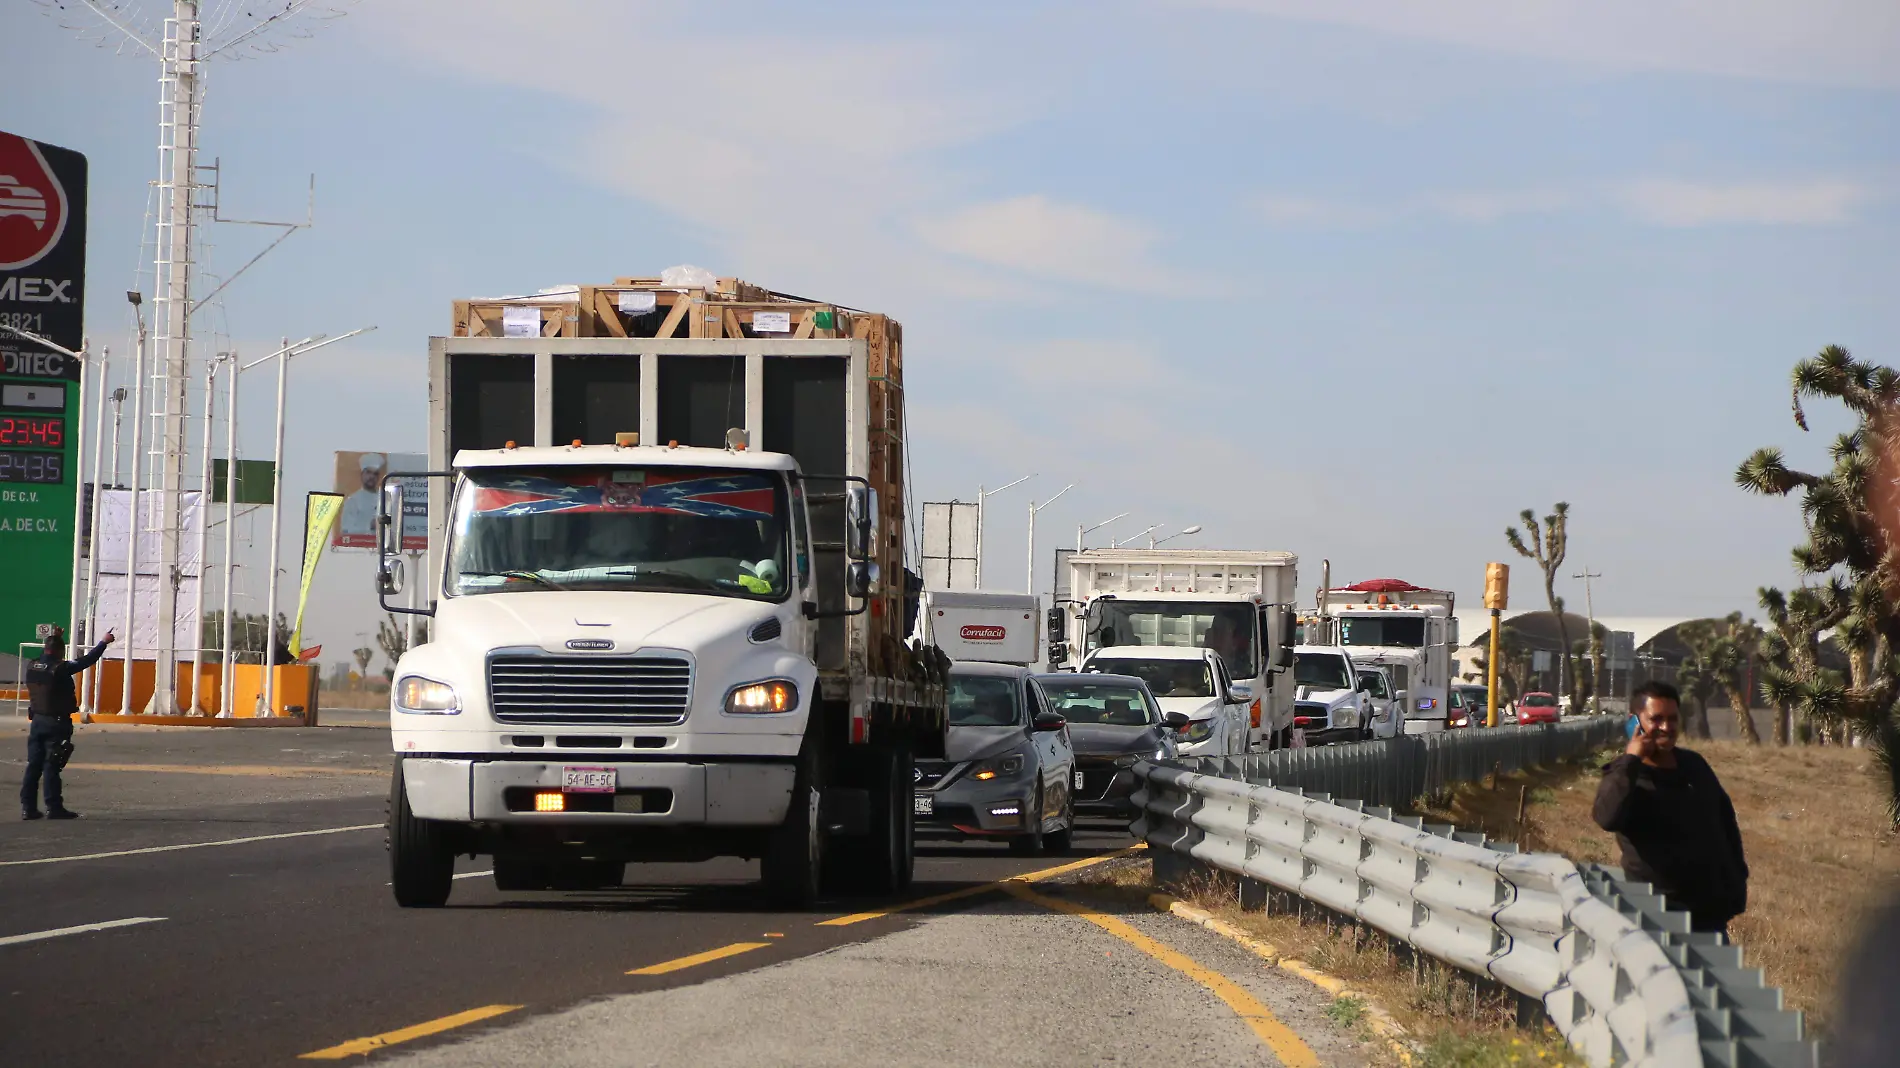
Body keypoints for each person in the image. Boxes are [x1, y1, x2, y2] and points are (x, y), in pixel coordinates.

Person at [1592, 680, 1749, 934]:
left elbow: (1725, 822)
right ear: (1635, 722)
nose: (1666, 727)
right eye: (1656, 719)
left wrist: (1737, 879)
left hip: (1707, 914)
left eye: (1673, 718)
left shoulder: (1694, 765)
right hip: (1656, 916)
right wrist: (1632, 758)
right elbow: (1606, 817)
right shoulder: (1626, 774)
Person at [21, 626, 115, 820]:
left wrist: (55, 637)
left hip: (37, 721)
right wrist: (103, 643)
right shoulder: (61, 668)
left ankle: (28, 808)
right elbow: (87, 660)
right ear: (59, 652)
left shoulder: (33, 665)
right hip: (56, 723)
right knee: (52, 766)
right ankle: (54, 807)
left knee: (34, 766)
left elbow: (47, 654)